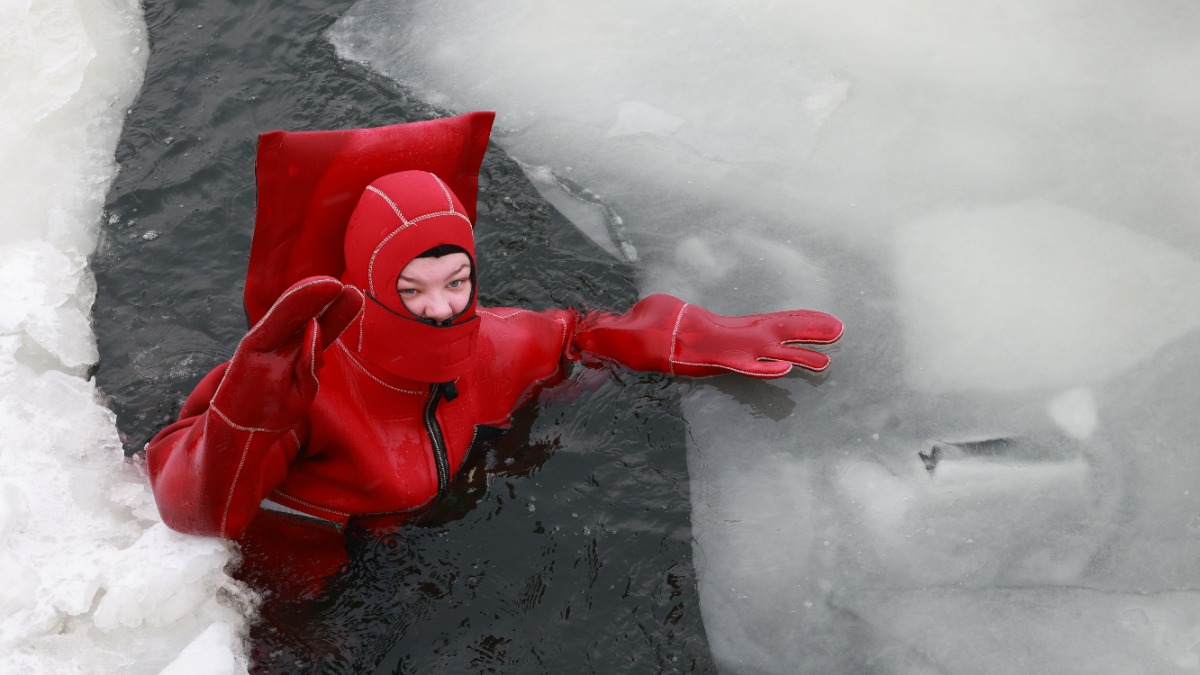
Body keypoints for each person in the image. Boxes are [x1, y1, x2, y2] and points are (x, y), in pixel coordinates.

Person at [144, 113, 843, 543]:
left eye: (457, 281)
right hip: (302, 551)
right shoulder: (307, 385)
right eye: (410, 289)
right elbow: (198, 514)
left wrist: (678, 335)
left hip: (433, 519)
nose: (444, 307)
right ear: (369, 281)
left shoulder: (495, 343)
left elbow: (577, 333)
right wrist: (247, 417)